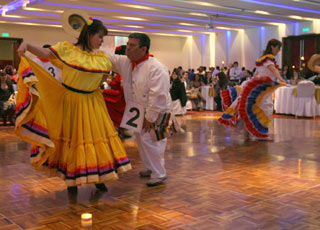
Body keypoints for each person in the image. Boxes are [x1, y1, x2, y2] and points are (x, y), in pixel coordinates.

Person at [16, 18, 131, 194]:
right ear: (90, 34)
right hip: (71, 103)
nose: (102, 41)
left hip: (94, 104)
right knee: (73, 141)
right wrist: (28, 45)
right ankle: (72, 181)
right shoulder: (67, 49)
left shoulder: (101, 57)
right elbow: (45, 54)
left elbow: (102, 78)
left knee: (96, 140)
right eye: (100, 37)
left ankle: (98, 177)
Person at [107, 33, 171, 186]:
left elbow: (158, 95)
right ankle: (150, 168)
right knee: (141, 140)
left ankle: (159, 173)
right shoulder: (127, 63)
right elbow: (109, 58)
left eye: (132, 46)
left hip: (158, 111)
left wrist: (150, 117)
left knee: (153, 141)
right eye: (128, 45)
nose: (127, 49)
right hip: (136, 109)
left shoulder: (156, 68)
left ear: (143, 49)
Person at [218, 38, 286, 140]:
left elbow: (257, 73)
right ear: (272, 47)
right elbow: (273, 70)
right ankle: (259, 133)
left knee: (251, 108)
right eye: (278, 48)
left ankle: (251, 132)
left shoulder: (264, 58)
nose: (279, 50)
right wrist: (281, 79)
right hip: (261, 87)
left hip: (260, 87)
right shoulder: (268, 59)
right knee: (264, 108)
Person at [102, 45, 130, 139]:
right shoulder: (123, 68)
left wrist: (111, 81)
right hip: (122, 95)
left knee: (103, 94)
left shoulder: (122, 69)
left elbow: (118, 84)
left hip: (120, 95)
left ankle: (119, 130)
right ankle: (121, 130)